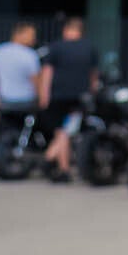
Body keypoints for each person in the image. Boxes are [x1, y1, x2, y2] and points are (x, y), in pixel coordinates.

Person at [38, 15, 99, 182]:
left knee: (62, 131)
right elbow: (94, 75)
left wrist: (43, 94)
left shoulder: (56, 47)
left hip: (58, 96)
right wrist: (92, 92)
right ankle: (54, 161)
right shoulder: (89, 48)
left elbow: (47, 73)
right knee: (67, 131)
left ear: (66, 30)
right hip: (79, 97)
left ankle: (58, 164)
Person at [0, 20, 40, 120]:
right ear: (19, 34)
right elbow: (36, 81)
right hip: (27, 102)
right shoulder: (30, 54)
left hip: (4, 102)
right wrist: (40, 99)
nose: (34, 38)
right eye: (32, 35)